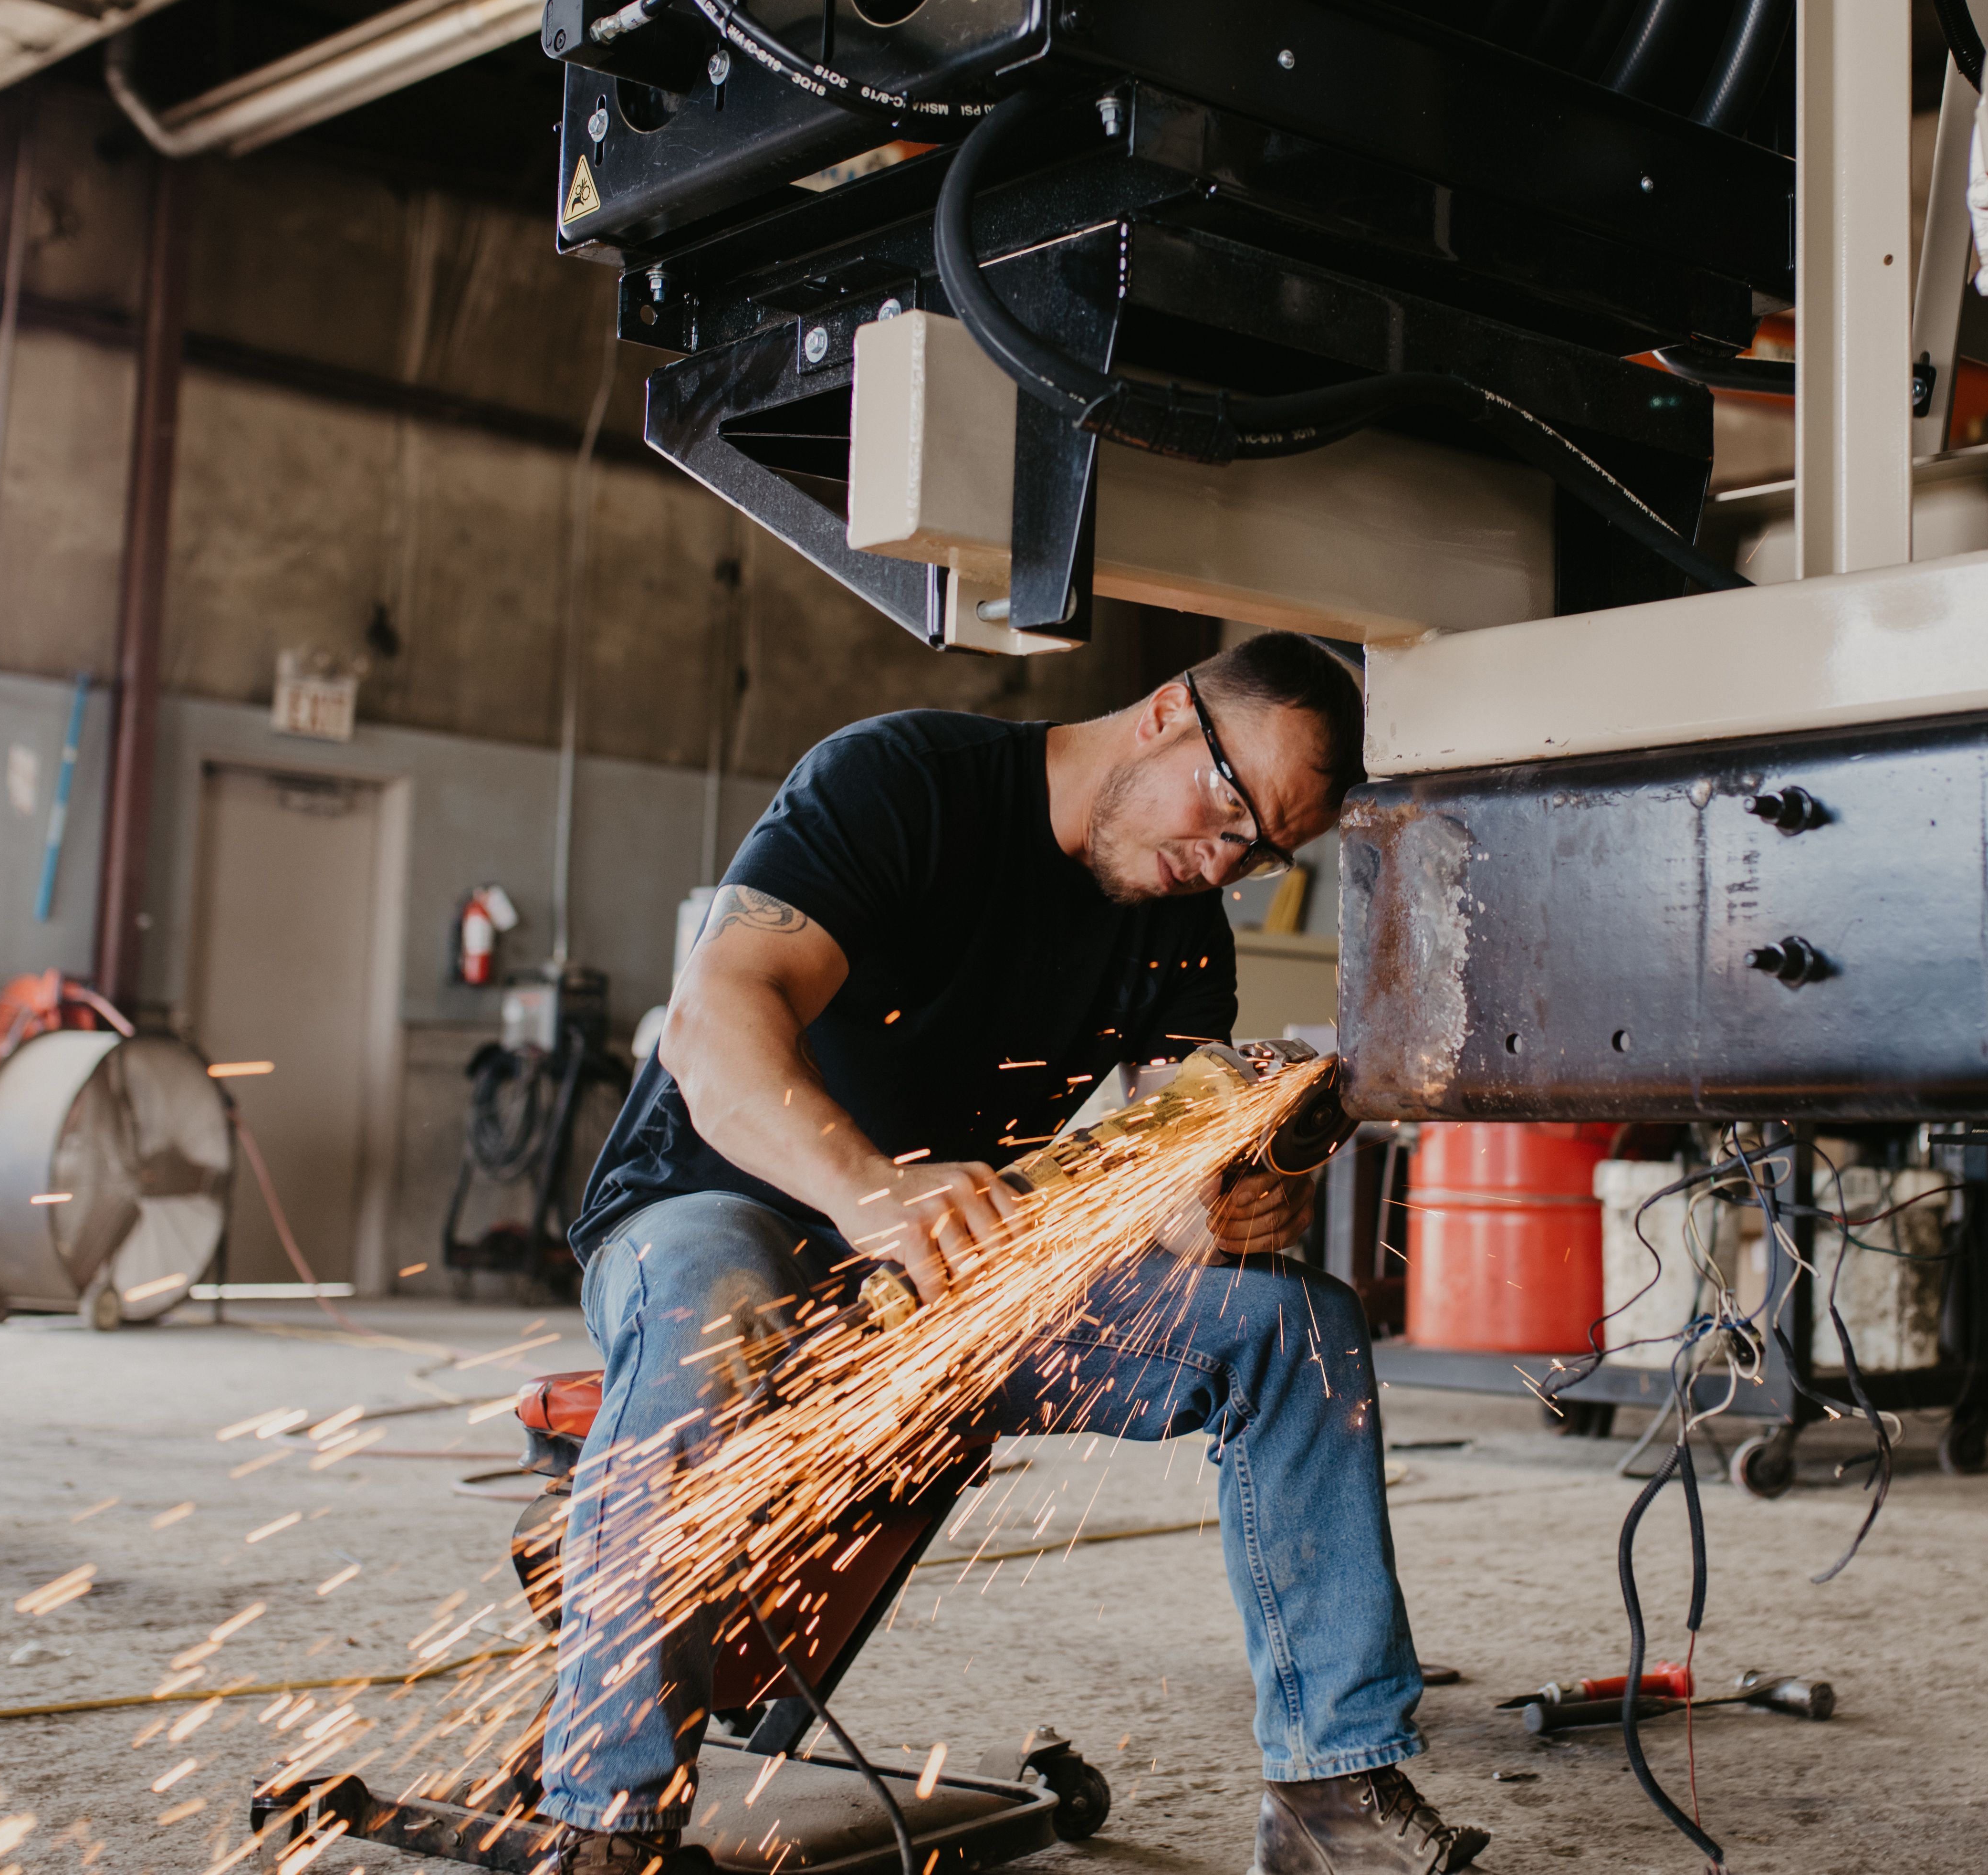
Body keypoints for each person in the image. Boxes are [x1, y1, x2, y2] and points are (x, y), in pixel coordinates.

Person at [538, 633, 1485, 1875]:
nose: (1226, 857)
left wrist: (1245, 1194)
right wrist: (869, 1190)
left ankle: (1332, 1790)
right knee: (715, 1297)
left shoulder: (1180, 929)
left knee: (1293, 1326)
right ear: (1162, 713)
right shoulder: (901, 781)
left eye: (1263, 851)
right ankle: (610, 1823)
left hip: (949, 1283)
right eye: (1230, 806)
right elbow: (714, 1022)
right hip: (722, 1205)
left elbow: (1176, 1186)